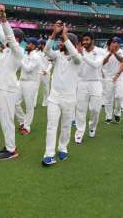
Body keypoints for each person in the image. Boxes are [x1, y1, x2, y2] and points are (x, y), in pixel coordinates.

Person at [42, 21, 81, 166]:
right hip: (54, 97)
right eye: (59, 40)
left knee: (65, 126)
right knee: (51, 125)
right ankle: (49, 154)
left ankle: (63, 147)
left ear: (69, 43)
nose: (59, 43)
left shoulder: (77, 59)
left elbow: (76, 56)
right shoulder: (57, 55)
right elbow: (46, 51)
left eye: (62, 41)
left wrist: (65, 36)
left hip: (69, 99)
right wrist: (54, 34)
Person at [0, 5, 24, 160]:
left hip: (9, 90)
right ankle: (9, 145)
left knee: (7, 120)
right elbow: (2, 34)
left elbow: (7, 35)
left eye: (12, 37)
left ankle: (12, 150)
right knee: (4, 120)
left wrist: (3, 15)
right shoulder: (8, 49)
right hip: (3, 88)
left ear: (17, 40)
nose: (7, 39)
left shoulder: (17, 51)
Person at [74, 33, 107, 143]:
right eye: (83, 40)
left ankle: (92, 127)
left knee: (95, 109)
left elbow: (96, 65)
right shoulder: (79, 51)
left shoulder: (100, 51)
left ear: (92, 40)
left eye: (87, 40)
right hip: (82, 82)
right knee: (80, 110)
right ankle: (79, 133)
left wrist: (82, 55)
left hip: (96, 83)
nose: (84, 42)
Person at [15, 37, 41, 135]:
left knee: (29, 106)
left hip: (31, 83)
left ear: (34, 46)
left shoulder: (36, 57)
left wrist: (20, 60)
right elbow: (20, 67)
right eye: (27, 43)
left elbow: (28, 69)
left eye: (29, 43)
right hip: (21, 81)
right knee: (15, 102)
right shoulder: (26, 55)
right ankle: (22, 121)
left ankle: (27, 127)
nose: (27, 45)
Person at [102, 37, 123, 124]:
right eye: (112, 42)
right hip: (108, 78)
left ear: (118, 44)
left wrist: (114, 53)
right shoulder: (105, 52)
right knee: (108, 98)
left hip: (120, 77)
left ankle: (117, 113)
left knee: (119, 96)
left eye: (115, 42)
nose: (113, 44)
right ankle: (108, 117)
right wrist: (109, 54)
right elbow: (102, 63)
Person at [34, 39, 52, 107]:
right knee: (35, 88)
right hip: (38, 73)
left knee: (46, 89)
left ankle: (46, 103)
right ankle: (34, 104)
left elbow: (50, 64)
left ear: (43, 45)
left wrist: (46, 71)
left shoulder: (48, 53)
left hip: (46, 74)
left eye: (39, 44)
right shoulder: (36, 53)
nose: (38, 45)